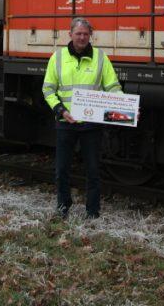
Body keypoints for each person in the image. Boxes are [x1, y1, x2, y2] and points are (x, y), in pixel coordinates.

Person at [42, 17, 122, 219]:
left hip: (91, 124)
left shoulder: (100, 58)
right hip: (65, 122)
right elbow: (48, 89)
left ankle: (92, 211)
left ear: (90, 36)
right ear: (70, 34)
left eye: (86, 34)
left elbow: (112, 87)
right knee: (62, 170)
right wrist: (60, 110)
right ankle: (63, 207)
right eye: (78, 33)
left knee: (93, 171)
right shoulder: (57, 58)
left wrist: (126, 109)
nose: (82, 37)